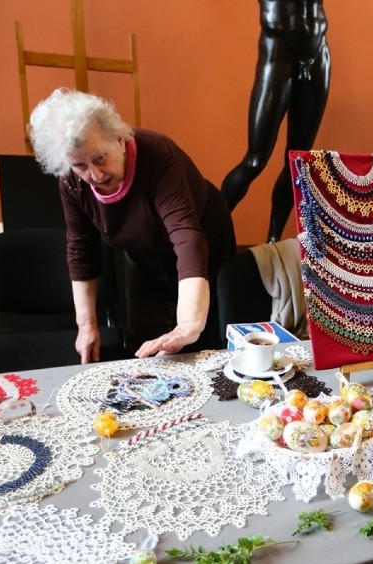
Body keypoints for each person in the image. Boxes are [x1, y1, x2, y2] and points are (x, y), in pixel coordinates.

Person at [28, 88, 236, 361]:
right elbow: (81, 247)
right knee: (144, 334)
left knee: (205, 336)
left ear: (120, 140)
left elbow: (187, 238)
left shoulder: (157, 153)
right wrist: (87, 326)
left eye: (100, 158)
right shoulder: (72, 180)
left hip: (202, 238)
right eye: (80, 165)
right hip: (143, 250)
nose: (95, 174)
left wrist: (188, 325)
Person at [221, 0, 331, 243]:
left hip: (318, 55)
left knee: (297, 160)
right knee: (255, 161)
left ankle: (273, 241)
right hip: (278, 53)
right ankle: (207, 233)